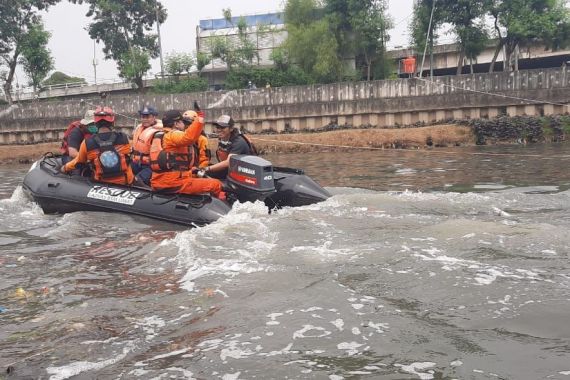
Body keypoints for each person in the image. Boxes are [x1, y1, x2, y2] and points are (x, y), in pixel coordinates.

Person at [149, 107, 223, 198]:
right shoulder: (173, 135)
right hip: (172, 182)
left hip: (161, 180)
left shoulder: (160, 135)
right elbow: (188, 138)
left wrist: (193, 170)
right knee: (216, 184)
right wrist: (200, 117)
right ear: (176, 124)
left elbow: (174, 164)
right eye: (182, 122)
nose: (185, 125)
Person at [61, 106, 134, 186]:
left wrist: (65, 167)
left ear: (96, 124)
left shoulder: (87, 143)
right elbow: (130, 155)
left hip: (101, 185)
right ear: (113, 123)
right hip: (126, 183)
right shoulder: (124, 138)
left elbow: (77, 162)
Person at [200, 115, 257, 180]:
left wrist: (207, 169)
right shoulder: (223, 138)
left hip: (246, 173)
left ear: (231, 129)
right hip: (231, 169)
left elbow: (228, 162)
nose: (219, 130)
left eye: (223, 127)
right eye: (218, 127)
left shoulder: (238, 142)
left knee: (206, 172)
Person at [131, 105, 162, 185]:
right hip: (136, 162)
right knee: (125, 175)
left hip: (150, 165)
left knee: (138, 180)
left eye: (147, 117)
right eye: (143, 117)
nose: (145, 119)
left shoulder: (158, 132)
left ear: (154, 117)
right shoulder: (139, 128)